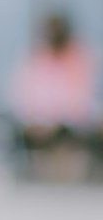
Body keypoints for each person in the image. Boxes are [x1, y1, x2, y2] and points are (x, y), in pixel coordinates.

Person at [9, 13, 100, 179]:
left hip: (72, 122)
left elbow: (81, 97)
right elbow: (24, 96)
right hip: (40, 122)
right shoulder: (35, 58)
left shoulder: (79, 57)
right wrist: (37, 120)